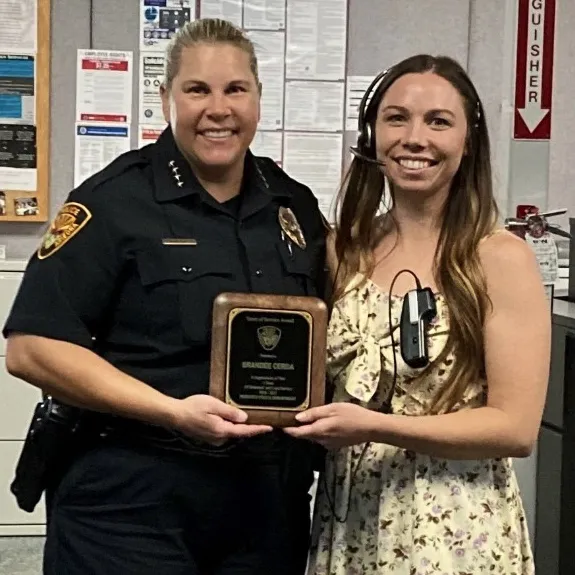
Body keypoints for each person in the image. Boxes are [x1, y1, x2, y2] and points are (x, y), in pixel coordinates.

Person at [4, 18, 328, 575]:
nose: (218, 108)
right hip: (131, 502)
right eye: (197, 89)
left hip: (263, 505)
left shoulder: (292, 205)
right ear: (166, 98)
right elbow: (32, 347)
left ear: (257, 98)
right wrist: (173, 413)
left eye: (235, 89)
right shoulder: (114, 201)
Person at [285, 54, 550, 575]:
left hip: (454, 529)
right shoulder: (345, 251)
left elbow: (515, 428)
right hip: (352, 518)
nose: (414, 138)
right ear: (372, 132)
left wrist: (377, 428)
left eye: (438, 121)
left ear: (468, 140)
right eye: (396, 117)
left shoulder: (497, 258)